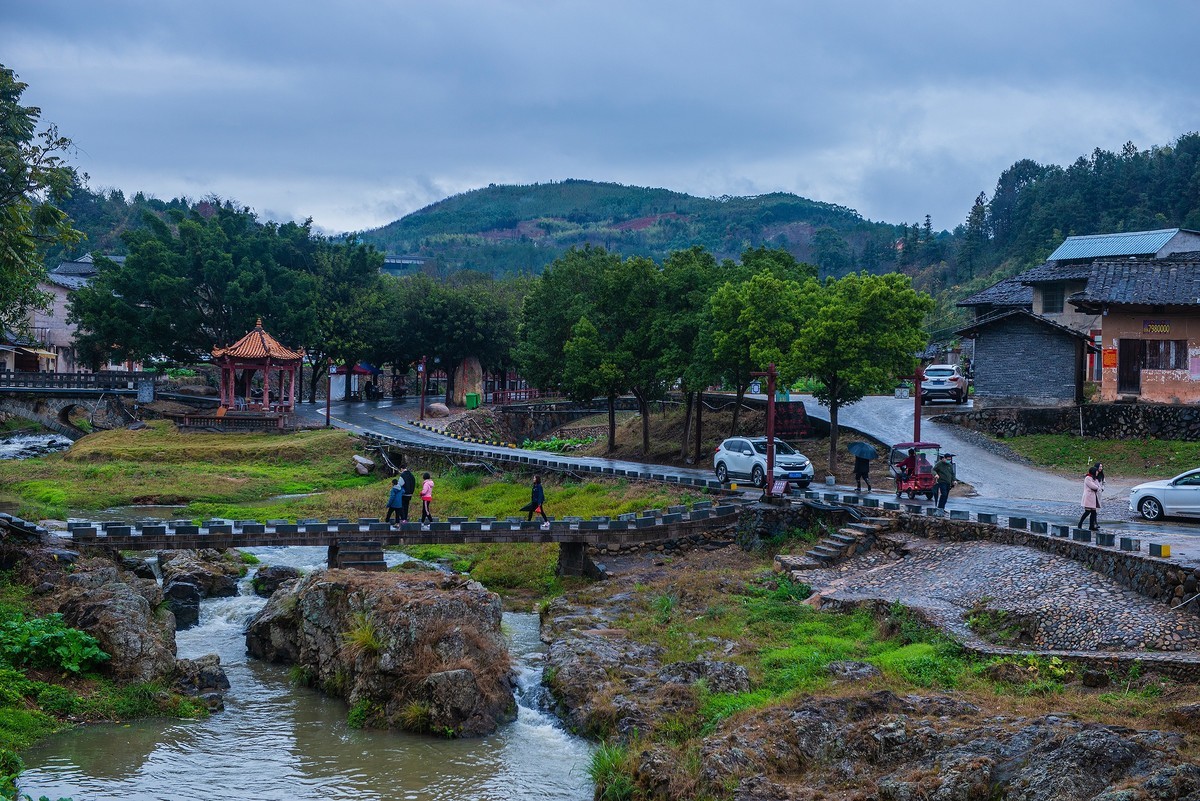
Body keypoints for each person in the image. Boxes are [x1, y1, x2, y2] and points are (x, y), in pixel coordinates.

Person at [1079, 465, 1102, 531]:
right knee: (1087, 511)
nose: (1097, 473)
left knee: (1093, 512)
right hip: (1088, 496)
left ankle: (1091, 526)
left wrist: (1097, 488)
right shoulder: (1088, 478)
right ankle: (1080, 523)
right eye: (1096, 471)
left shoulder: (1095, 479)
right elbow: (1093, 486)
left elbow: (1098, 486)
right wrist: (1097, 488)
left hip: (1093, 497)